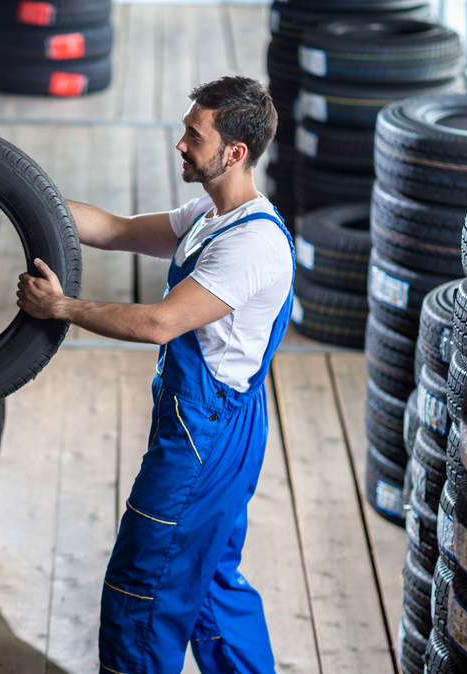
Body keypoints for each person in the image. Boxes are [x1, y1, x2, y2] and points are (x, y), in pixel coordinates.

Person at [16, 75, 290, 674]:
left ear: (235, 153)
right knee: (209, 586)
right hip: (213, 426)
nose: (181, 144)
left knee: (143, 587)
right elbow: (113, 230)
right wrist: (17, 198)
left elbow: (158, 324)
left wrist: (60, 307)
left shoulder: (252, 246)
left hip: (207, 440)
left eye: (195, 135)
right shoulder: (209, 215)